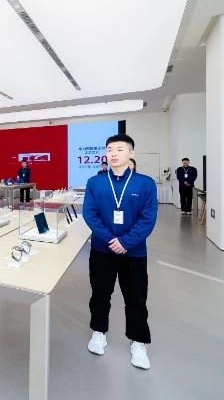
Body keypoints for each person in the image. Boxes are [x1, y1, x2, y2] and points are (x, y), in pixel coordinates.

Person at [83, 134, 158, 370]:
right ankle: (99, 332)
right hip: (101, 250)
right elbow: (90, 214)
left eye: (119, 149)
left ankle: (138, 341)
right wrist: (109, 240)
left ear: (131, 153)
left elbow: (148, 218)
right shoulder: (95, 182)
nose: (113, 153)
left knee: (136, 298)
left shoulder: (145, 183)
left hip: (133, 253)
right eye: (109, 149)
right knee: (100, 294)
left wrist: (125, 242)